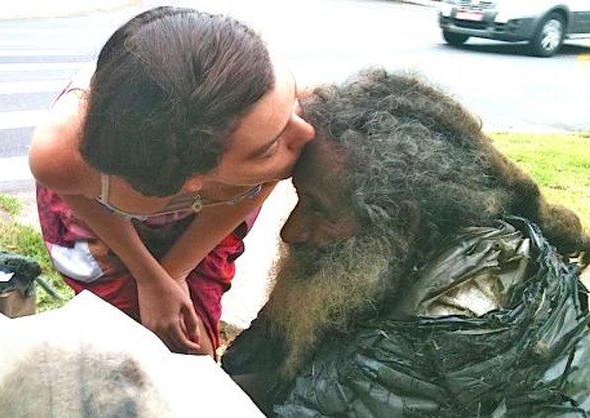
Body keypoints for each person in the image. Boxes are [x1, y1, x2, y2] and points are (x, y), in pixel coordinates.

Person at [221, 68, 590, 414]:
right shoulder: (381, 254)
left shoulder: (455, 315)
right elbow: (271, 375)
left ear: (399, 220)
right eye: (300, 199)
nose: (291, 231)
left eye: (318, 208)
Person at [29, 6, 315, 357]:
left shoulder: (260, 99)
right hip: (102, 219)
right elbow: (78, 197)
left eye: (292, 103)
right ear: (195, 179)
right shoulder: (63, 155)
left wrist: (174, 273)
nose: (307, 133)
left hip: (209, 219)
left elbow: (254, 186)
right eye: (269, 147)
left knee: (193, 348)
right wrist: (148, 278)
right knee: (129, 346)